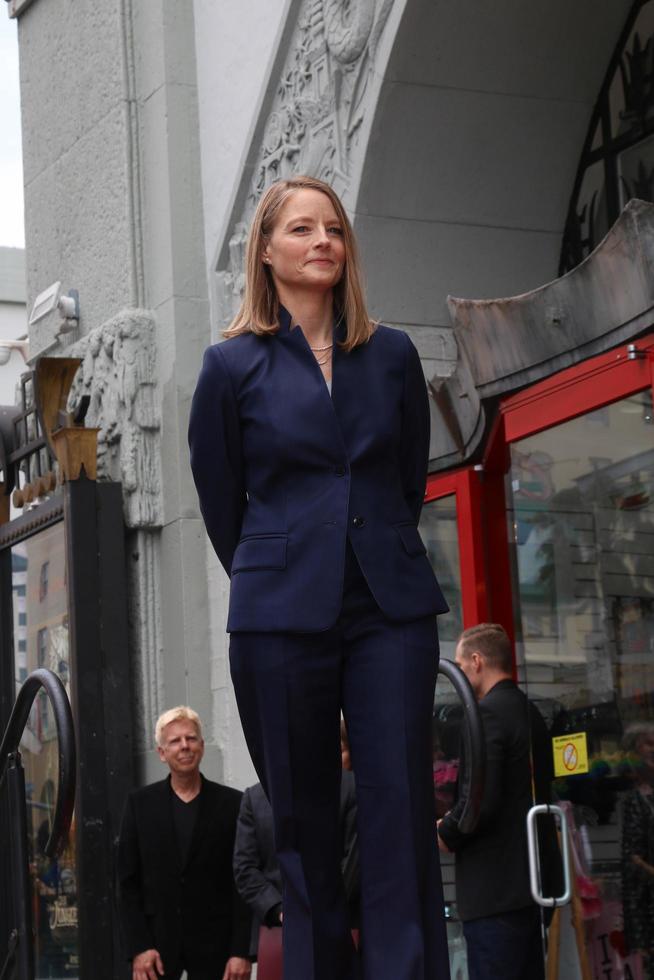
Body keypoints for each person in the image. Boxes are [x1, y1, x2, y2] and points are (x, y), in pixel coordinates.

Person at [188, 175, 450, 980]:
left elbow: (406, 482)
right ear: (266, 253)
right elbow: (222, 501)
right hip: (279, 614)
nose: (323, 241)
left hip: (388, 607)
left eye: (332, 228)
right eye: (302, 230)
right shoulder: (230, 367)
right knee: (298, 828)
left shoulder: (394, 354)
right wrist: (286, 568)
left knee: (399, 812)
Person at [437, 623, 558, 980]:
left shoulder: (486, 714)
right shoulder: (529, 711)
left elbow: (480, 798)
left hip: (495, 891)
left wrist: (447, 830)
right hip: (532, 886)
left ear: (476, 661)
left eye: (460, 665)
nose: (457, 673)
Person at [116, 706, 252, 980]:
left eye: (191, 739)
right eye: (175, 741)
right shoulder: (139, 805)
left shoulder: (233, 804)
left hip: (218, 950)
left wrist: (242, 951)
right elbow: (127, 882)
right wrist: (140, 947)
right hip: (157, 950)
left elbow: (243, 881)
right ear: (162, 753)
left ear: (201, 746)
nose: (184, 746)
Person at [233, 733, 358, 955]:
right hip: (278, 930)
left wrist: (322, 908)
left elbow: (354, 859)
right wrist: (280, 909)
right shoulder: (254, 797)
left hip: (341, 924)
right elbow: (245, 868)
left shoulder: (348, 787)